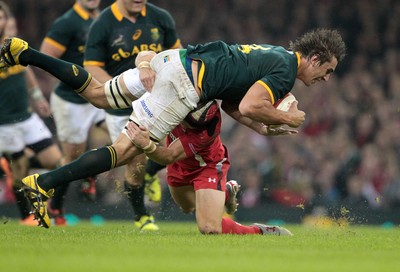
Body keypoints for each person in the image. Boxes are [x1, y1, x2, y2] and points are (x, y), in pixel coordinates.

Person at [0, 27, 346, 228]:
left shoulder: (272, 54)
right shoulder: (285, 71)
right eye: (326, 70)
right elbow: (251, 105)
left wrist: (266, 129)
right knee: (123, 152)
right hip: (184, 85)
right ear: (314, 59)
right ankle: (42, 183)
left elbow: (232, 105)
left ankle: (24, 53)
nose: (325, 78)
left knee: (98, 94)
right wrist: (286, 117)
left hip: (174, 60)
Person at [82, 0, 182, 230]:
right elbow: (92, 66)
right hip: (123, 106)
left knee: (176, 148)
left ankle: (150, 174)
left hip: (158, 100)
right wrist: (119, 91)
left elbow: (176, 54)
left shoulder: (161, 18)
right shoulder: (103, 23)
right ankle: (141, 215)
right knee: (135, 161)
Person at [125, 100, 294, 235]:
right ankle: (226, 192)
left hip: (207, 166)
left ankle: (258, 231)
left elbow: (167, 155)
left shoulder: (204, 132)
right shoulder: (176, 101)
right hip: (179, 164)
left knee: (209, 228)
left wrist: (145, 144)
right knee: (187, 207)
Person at [39, 0, 107, 225]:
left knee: (124, 131)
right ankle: (56, 206)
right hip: (71, 100)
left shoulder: (104, 18)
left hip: (99, 94)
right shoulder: (67, 23)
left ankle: (90, 172)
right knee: (72, 157)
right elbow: (45, 57)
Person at [0, 3, 63, 226]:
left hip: (27, 118)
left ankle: (51, 209)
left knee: (57, 162)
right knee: (20, 173)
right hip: (4, 124)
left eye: (3, 19)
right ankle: (26, 216)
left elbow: (26, 71)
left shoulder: (12, 47)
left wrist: (37, 97)